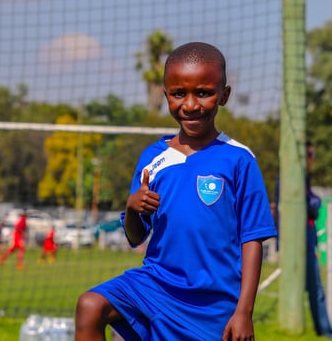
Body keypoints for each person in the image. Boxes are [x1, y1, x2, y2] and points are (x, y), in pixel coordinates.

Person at [75, 42, 277, 340]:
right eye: (179, 93)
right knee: (90, 305)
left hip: (213, 302)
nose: (191, 104)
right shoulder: (153, 158)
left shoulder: (238, 159)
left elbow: (252, 239)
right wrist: (132, 208)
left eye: (204, 92)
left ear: (224, 95)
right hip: (157, 285)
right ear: (166, 94)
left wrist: (243, 312)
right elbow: (135, 237)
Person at [304, 142, 332, 337]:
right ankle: (324, 331)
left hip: (309, 234)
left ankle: (323, 329)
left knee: (316, 287)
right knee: (316, 287)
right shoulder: (293, 176)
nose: (313, 158)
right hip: (302, 236)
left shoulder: (304, 177)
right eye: (310, 154)